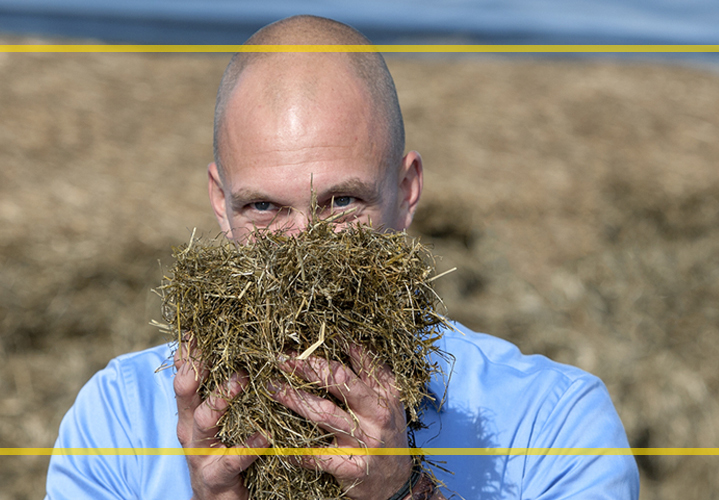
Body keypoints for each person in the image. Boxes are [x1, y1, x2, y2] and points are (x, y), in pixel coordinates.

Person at [46, 15, 639, 500]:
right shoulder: (117, 422)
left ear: (405, 194)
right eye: (263, 209)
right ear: (220, 205)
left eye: (342, 201)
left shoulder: (553, 429)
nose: (304, 254)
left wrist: (403, 492)